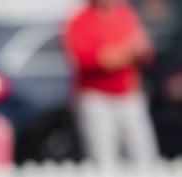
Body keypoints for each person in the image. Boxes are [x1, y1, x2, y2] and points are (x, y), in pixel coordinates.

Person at [62, 0, 159, 167]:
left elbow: (145, 51)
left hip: (129, 95)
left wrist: (125, 53)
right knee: (104, 161)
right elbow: (89, 60)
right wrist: (125, 53)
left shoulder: (125, 13)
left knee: (144, 157)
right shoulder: (79, 19)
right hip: (97, 98)